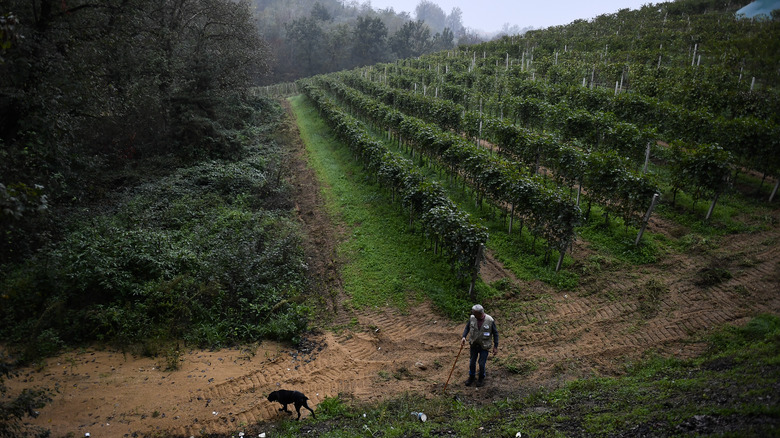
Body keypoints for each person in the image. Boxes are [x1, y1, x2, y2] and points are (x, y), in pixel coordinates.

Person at [461, 304, 498, 387]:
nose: (472, 314)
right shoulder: (472, 318)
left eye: (474, 313)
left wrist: (495, 346)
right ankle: (472, 376)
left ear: (480, 313)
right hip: (474, 344)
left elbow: (495, 334)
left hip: (484, 346)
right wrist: (464, 337)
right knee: (472, 362)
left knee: (481, 363)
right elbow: (467, 328)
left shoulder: (490, 320)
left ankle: (481, 377)